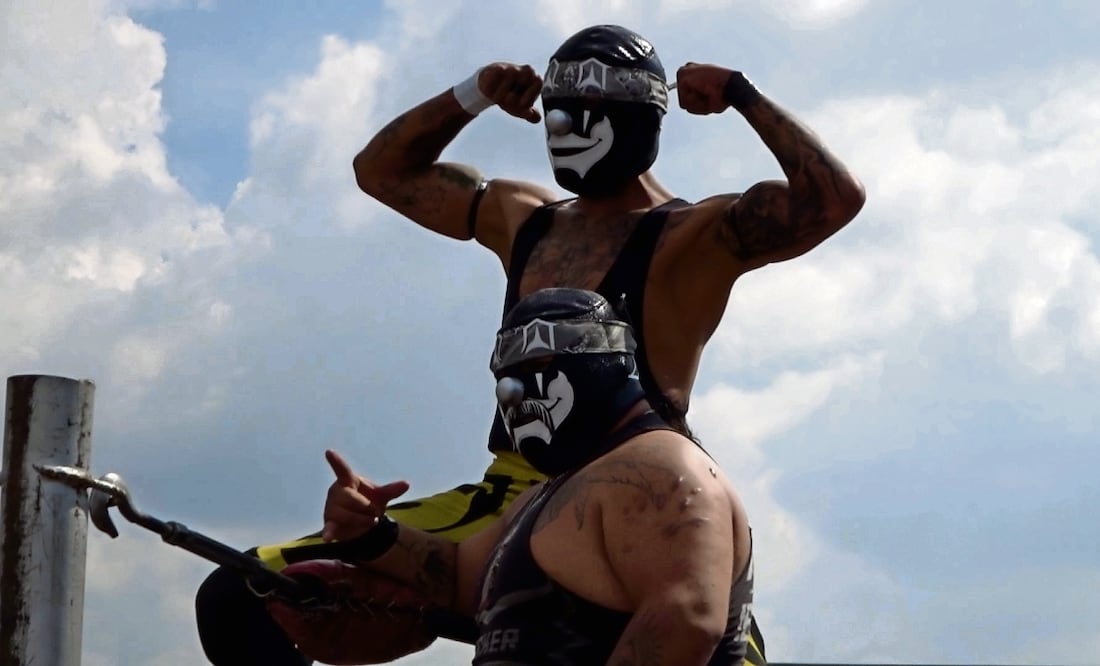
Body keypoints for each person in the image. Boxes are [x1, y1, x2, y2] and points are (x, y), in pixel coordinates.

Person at [194, 23, 864, 665]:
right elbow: (382, 172)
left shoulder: (696, 235)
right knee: (244, 592)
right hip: (511, 491)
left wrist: (741, 93)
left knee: (704, 639)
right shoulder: (523, 217)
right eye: (555, 114)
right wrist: (474, 93)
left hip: (635, 491)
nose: (564, 131)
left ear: (637, 120)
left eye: (583, 115)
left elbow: (832, 200)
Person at [275, 287, 760, 665]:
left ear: (603, 359)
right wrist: (371, 534)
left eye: (539, 365)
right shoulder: (549, 493)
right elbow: (464, 580)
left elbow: (688, 621)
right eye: (505, 377)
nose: (514, 391)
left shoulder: (658, 469)